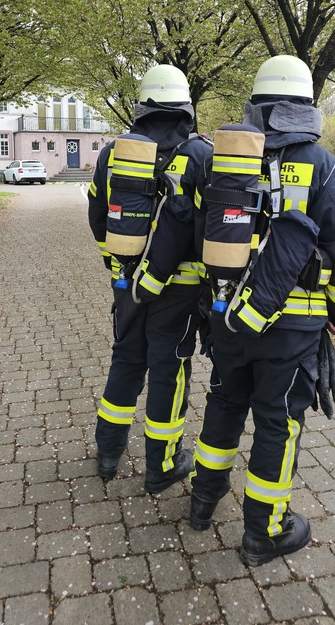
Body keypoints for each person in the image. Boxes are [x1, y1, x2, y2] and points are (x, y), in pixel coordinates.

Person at [189, 54, 335, 566]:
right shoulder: (323, 163)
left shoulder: (229, 158)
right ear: (307, 104)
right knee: (277, 421)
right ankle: (265, 531)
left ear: (256, 103)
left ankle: (203, 500)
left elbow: (202, 232)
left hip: (227, 314)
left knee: (223, 402)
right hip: (293, 327)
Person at [88, 64, 212, 494]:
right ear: (185, 107)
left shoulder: (113, 153)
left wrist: (118, 266)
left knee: (125, 359)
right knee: (169, 370)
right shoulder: (202, 155)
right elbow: (207, 229)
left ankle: (108, 452)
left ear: (141, 106)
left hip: (127, 283)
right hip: (179, 289)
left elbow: (97, 214)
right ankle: (161, 464)